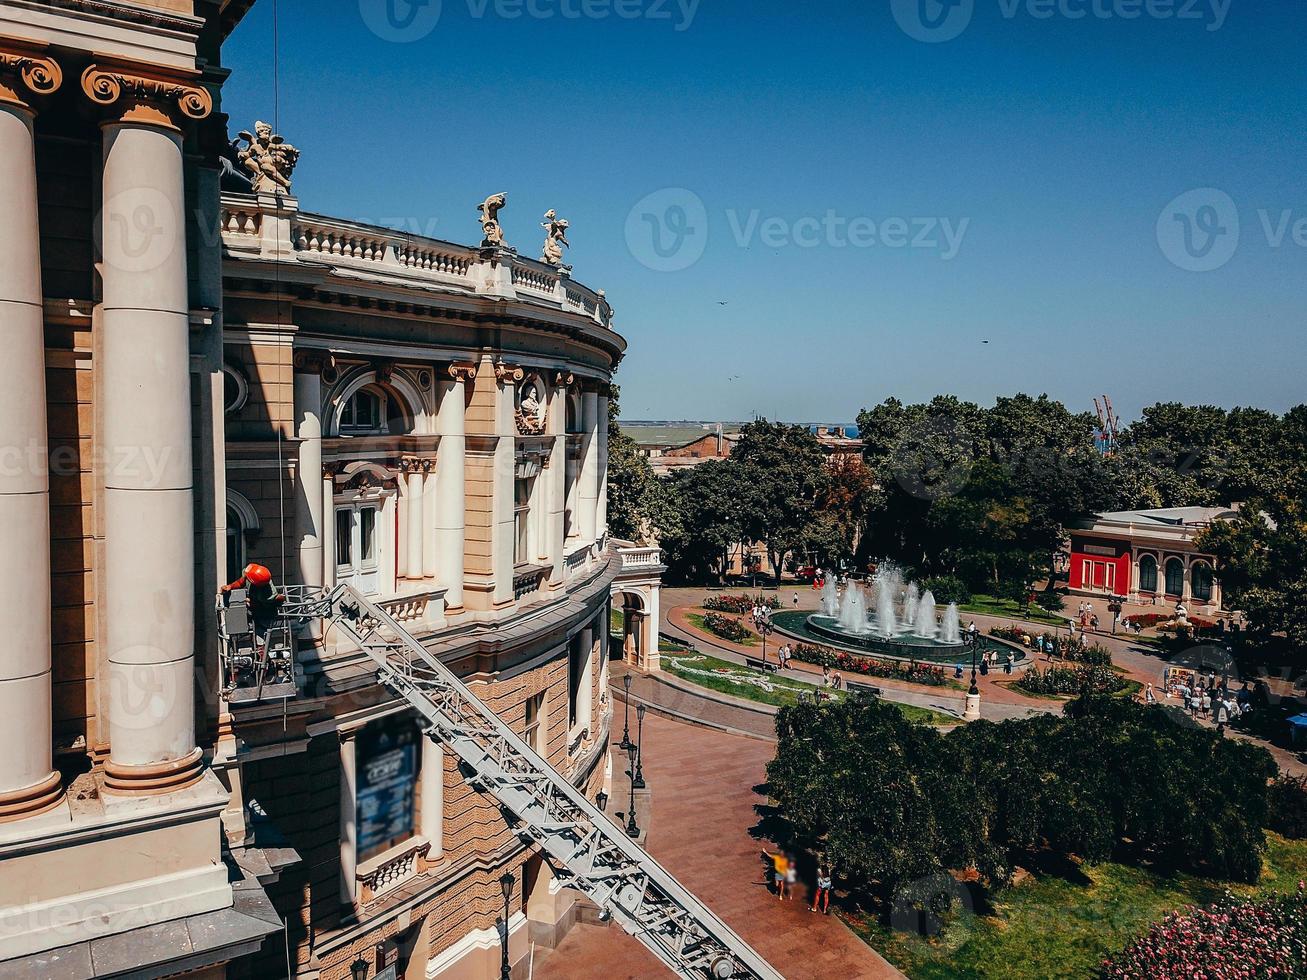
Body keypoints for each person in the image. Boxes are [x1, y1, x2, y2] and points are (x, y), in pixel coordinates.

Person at [221, 563, 286, 657]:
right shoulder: (252, 573)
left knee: (261, 636)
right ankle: (256, 651)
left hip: (265, 613)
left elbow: (277, 599)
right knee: (248, 632)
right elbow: (241, 582)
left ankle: (262, 656)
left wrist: (252, 602)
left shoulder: (267, 594)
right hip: (255, 609)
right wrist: (230, 587)